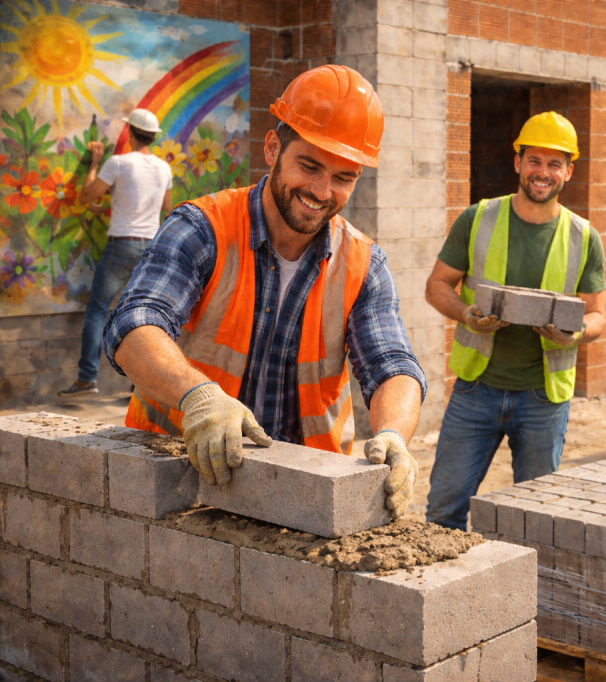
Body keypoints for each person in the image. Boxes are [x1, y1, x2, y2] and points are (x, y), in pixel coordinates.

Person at [102, 66, 426, 519]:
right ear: (273, 149)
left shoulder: (362, 263)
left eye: (343, 177)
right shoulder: (203, 229)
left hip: (305, 494)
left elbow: (392, 363)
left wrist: (394, 434)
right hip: (180, 480)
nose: (321, 190)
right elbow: (133, 324)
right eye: (309, 166)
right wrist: (199, 396)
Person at [423, 112, 606, 530]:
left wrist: (574, 333)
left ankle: (522, 595)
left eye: (554, 163)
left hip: (543, 399)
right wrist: (466, 315)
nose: (543, 173)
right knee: (444, 510)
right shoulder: (479, 218)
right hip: (476, 391)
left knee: (536, 519)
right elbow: (437, 286)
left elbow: (598, 315)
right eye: (535, 161)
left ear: (568, 171)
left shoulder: (583, 237)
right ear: (518, 163)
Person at [58, 109, 172, 401]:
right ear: (152, 136)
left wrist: (94, 164)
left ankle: (86, 379)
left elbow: (86, 195)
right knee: (145, 316)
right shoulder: (163, 169)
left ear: (131, 133)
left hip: (122, 245)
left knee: (97, 310)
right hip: (152, 248)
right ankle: (142, 385)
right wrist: (114, 206)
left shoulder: (118, 163)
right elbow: (164, 209)